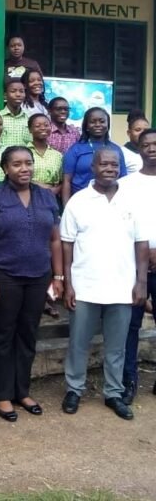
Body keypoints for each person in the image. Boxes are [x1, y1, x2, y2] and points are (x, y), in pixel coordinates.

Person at [0, 146, 63, 421]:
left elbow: (55, 240)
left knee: (27, 334)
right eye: (16, 164)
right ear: (5, 169)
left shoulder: (46, 197)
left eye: (28, 163)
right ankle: (2, 395)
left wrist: (58, 276)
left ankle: (22, 391)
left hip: (38, 276)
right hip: (4, 276)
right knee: (2, 335)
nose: (23, 169)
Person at [60, 148, 149, 420]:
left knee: (116, 346)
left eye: (114, 164)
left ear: (120, 167)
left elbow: (141, 244)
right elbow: (66, 243)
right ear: (93, 167)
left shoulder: (132, 200)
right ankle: (74, 389)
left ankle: (113, 392)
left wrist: (141, 282)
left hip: (122, 286)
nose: (109, 168)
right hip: (85, 285)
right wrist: (68, 283)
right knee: (78, 342)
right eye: (104, 164)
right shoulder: (78, 201)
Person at [117, 129, 156, 404]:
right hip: (133, 266)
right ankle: (128, 381)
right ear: (138, 148)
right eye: (146, 144)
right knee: (130, 327)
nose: (151, 148)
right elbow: (118, 224)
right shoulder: (125, 184)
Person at [61, 107, 127, 206]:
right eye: (93, 122)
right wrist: (66, 207)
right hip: (81, 203)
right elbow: (66, 181)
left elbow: (122, 179)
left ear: (107, 125)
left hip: (110, 202)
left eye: (102, 121)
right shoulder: (75, 150)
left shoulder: (116, 150)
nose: (98, 125)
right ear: (86, 126)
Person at [28, 114, 63, 197]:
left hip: (52, 198)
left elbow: (63, 180)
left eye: (46, 125)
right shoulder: (24, 153)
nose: (43, 128)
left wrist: (54, 190)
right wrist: (41, 187)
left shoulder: (57, 155)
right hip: (29, 196)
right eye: (37, 126)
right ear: (30, 129)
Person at [0, 78, 30, 147]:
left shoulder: (29, 118)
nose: (18, 94)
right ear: (5, 95)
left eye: (21, 91)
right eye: (13, 91)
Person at [122, 110, 149, 174]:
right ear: (129, 133)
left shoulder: (152, 152)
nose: (142, 133)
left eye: (146, 130)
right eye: (138, 130)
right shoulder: (121, 153)